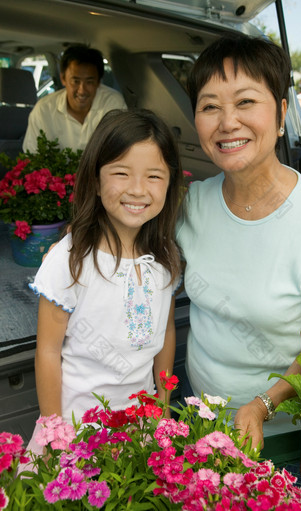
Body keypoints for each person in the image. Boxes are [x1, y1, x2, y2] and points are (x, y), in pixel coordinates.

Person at [176, 33, 301, 449]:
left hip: (282, 435)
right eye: (210, 106)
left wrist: (263, 404)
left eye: (246, 102)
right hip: (198, 417)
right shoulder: (190, 203)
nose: (227, 122)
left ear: (282, 112)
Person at [28, 108, 183, 429]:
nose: (138, 189)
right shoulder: (70, 259)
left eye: (154, 176)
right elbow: (47, 350)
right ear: (96, 182)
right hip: (77, 427)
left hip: (141, 426)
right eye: (121, 173)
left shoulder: (166, 257)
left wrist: (163, 407)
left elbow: (165, 332)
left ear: (169, 185)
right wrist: (52, 430)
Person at [23, 44, 127, 153]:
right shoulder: (43, 110)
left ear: (98, 81)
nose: (82, 90)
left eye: (89, 82)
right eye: (75, 81)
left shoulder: (113, 103)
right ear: (63, 78)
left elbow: (119, 152)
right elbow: (33, 156)